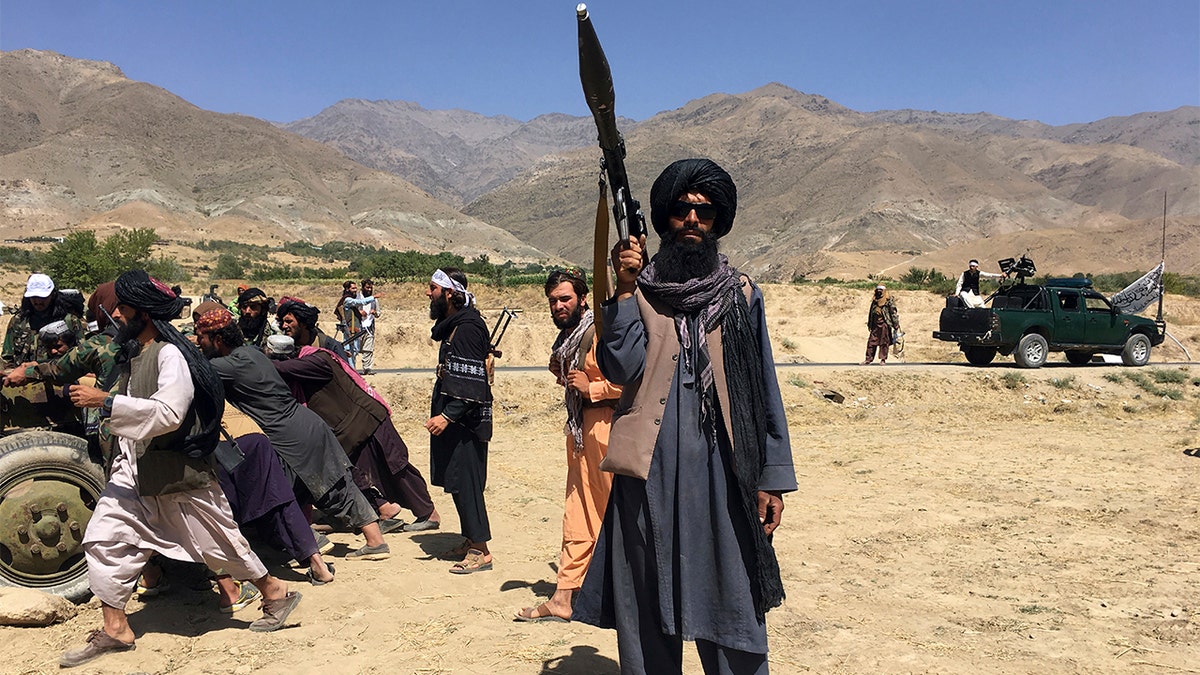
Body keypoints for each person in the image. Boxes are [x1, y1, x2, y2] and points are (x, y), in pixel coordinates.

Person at [573, 158, 795, 674]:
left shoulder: (740, 295)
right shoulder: (642, 293)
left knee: (734, 608)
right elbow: (620, 364)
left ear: (719, 221)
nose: (693, 220)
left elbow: (763, 389)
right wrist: (624, 291)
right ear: (664, 219)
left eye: (705, 211)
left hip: (724, 480)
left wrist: (772, 479)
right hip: (648, 482)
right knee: (647, 616)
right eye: (681, 211)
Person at [57, 270, 300, 669]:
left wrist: (106, 402)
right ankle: (116, 627)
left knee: (217, 541)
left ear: (144, 313)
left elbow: (170, 412)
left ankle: (274, 592)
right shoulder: (133, 353)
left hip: (175, 471)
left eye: (123, 307)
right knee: (104, 539)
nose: (116, 314)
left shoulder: (170, 355)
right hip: (133, 469)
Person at [194, 307, 391, 560]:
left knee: (276, 493)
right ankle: (375, 541)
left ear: (218, 340)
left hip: (286, 437)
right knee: (337, 485)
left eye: (202, 338)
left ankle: (309, 542)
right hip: (309, 425)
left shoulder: (226, 365)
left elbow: (194, 372)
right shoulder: (252, 353)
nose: (199, 343)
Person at [516, 268, 620, 623]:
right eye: (553, 301)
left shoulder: (601, 331)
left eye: (565, 299)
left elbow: (638, 380)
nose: (559, 306)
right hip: (580, 431)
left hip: (608, 429)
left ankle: (624, 595)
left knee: (613, 515)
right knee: (577, 513)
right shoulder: (572, 338)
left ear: (583, 299)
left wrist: (592, 388)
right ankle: (564, 595)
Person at [267, 333, 440, 532]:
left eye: (290, 321)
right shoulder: (305, 362)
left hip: (367, 421)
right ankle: (384, 509)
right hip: (348, 431)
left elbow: (280, 368)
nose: (287, 326)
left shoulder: (316, 360)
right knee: (354, 475)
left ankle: (429, 513)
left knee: (395, 467)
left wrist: (251, 360)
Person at [425, 268, 495, 574]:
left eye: (433, 288)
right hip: (454, 414)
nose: (429, 293)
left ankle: (481, 551)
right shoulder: (453, 325)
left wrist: (447, 416)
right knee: (456, 482)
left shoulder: (466, 327)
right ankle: (470, 540)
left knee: (467, 484)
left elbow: (473, 384)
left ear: (449, 293)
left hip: (464, 420)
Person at [2, 273, 85, 367]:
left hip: (58, 379)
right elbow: (7, 358)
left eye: (43, 297)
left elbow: (82, 356)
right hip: (22, 378)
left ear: (52, 295)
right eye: (33, 297)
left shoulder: (70, 321)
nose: (38, 301)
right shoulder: (18, 321)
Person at [278, 297, 348, 360]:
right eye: (282, 322)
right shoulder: (281, 347)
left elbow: (346, 373)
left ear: (303, 323)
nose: (284, 326)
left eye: (288, 321)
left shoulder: (329, 346)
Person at [863, 284, 901, 365]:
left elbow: (893, 313)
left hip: (884, 324)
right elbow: (871, 313)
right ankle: (868, 359)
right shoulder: (875, 300)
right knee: (871, 342)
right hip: (875, 325)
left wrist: (896, 324)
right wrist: (870, 323)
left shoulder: (888, 301)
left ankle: (883, 359)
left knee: (884, 342)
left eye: (881, 290)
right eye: (877, 290)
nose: (879, 292)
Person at [354, 278, 380, 375]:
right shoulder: (356, 298)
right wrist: (359, 312)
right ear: (363, 287)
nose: (369, 289)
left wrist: (375, 312)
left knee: (368, 348)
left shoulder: (374, 300)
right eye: (367, 287)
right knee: (355, 348)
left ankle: (367, 368)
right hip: (357, 326)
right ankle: (352, 368)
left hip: (369, 327)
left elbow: (379, 313)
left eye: (370, 288)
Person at [334, 281, 362, 369]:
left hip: (354, 328)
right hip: (349, 328)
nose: (355, 290)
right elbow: (361, 302)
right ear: (347, 289)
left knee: (355, 349)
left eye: (355, 288)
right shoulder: (347, 300)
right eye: (353, 288)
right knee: (349, 349)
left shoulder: (350, 299)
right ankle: (351, 369)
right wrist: (373, 297)